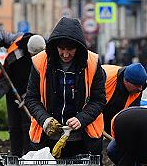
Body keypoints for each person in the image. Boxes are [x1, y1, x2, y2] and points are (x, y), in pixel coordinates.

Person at [24, 17, 107, 158]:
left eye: (70, 49)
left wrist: (81, 119)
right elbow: (31, 98)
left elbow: (98, 100)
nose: (65, 54)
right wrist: (45, 120)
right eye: (61, 49)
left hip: (83, 137)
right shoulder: (39, 62)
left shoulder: (92, 63)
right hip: (47, 137)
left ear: (79, 48)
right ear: (54, 46)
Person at [0, 28, 46, 156]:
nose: (35, 58)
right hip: (12, 89)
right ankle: (15, 157)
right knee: (14, 127)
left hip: (31, 95)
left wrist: (28, 97)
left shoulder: (46, 53)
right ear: (28, 50)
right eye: (33, 55)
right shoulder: (18, 41)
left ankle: (28, 158)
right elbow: (1, 35)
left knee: (27, 126)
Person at [102, 62, 147, 134]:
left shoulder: (138, 87)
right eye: (137, 85)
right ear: (126, 81)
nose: (140, 89)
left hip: (112, 114)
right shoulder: (105, 78)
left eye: (142, 84)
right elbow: (92, 105)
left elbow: (131, 115)